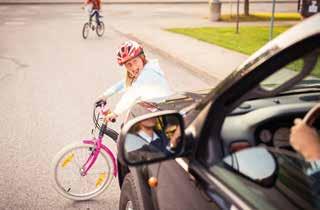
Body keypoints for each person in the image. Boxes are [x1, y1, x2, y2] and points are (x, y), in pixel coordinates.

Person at [96, 40, 173, 122]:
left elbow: (132, 94)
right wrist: (105, 95)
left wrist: (115, 113)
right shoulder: (144, 69)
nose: (133, 67)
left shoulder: (149, 73)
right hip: (154, 111)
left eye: (135, 61)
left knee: (128, 127)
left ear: (142, 58)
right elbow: (124, 82)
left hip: (163, 116)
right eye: (128, 64)